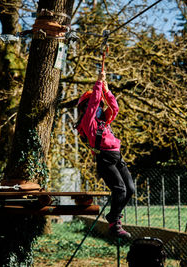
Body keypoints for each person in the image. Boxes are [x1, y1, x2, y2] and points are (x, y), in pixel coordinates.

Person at [75, 71, 135, 238]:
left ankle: (113, 216)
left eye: (101, 106)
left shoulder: (104, 121)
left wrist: (107, 90)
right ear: (85, 109)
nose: (99, 108)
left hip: (117, 157)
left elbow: (114, 108)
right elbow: (93, 104)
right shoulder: (88, 123)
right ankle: (114, 222)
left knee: (130, 189)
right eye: (95, 106)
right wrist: (99, 84)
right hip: (106, 159)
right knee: (120, 189)